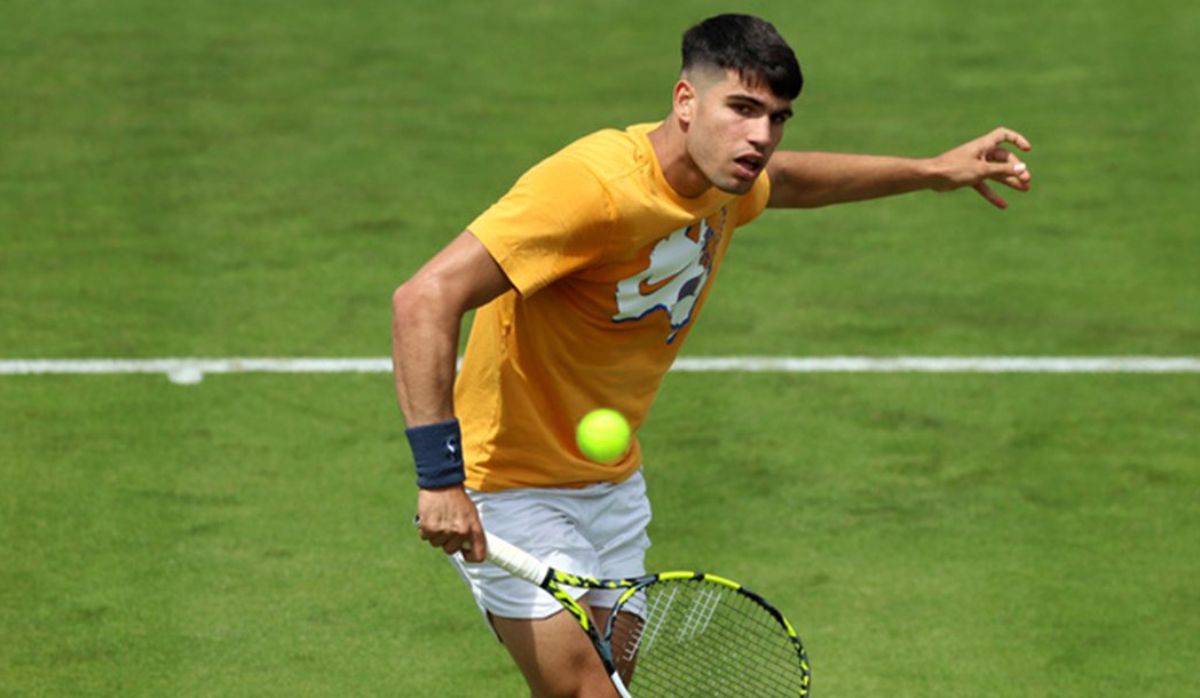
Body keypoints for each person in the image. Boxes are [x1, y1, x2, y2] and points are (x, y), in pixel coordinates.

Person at [392, 13, 1031, 697]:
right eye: (744, 109)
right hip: (509, 481)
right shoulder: (594, 189)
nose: (761, 136)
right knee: (588, 691)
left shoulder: (727, 178)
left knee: (607, 680)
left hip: (609, 482)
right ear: (686, 102)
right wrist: (440, 479)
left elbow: (789, 182)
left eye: (778, 117)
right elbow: (425, 296)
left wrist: (932, 171)